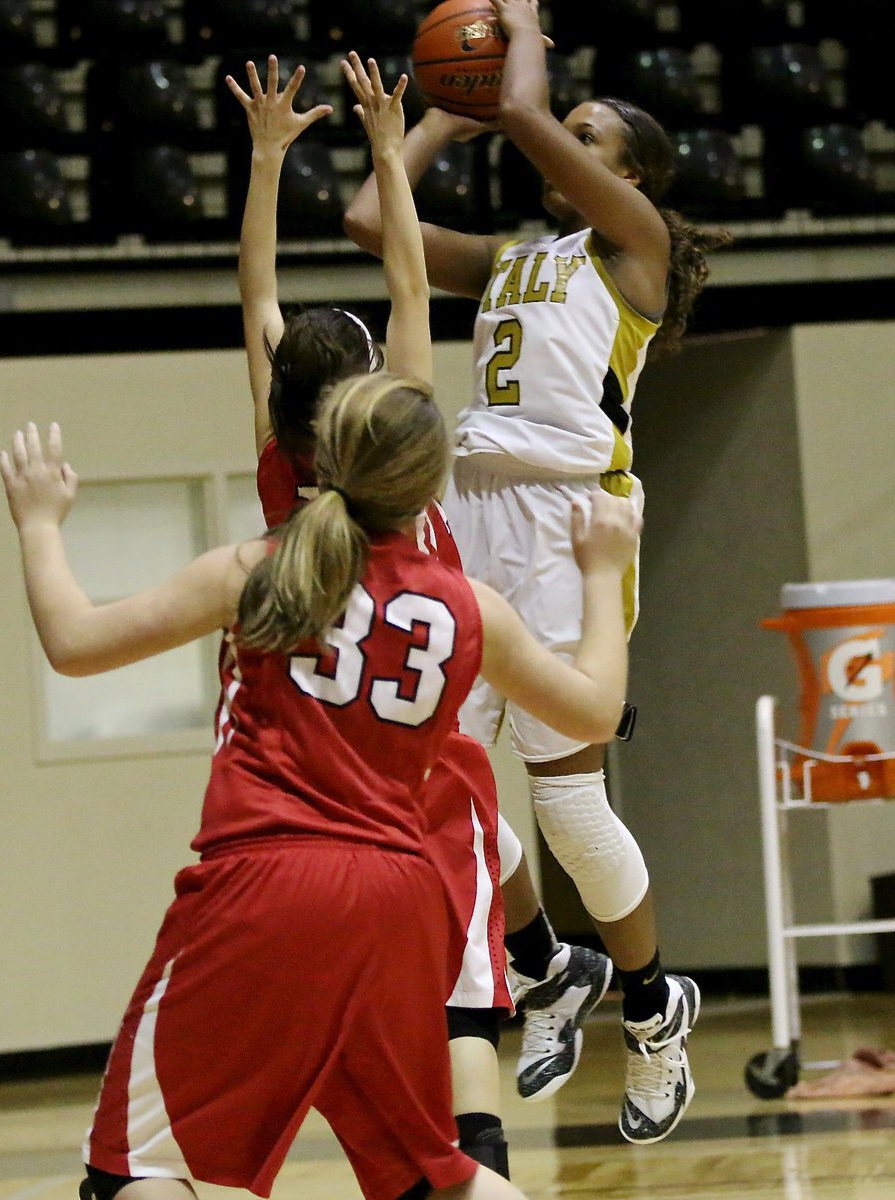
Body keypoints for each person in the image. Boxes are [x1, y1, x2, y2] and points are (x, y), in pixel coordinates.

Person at [0, 392, 639, 1200]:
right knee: (430, 1173)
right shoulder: (471, 608)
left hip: (264, 887)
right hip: (399, 902)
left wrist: (39, 524)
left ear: (321, 459)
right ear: (429, 484)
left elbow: (74, 643)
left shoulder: (255, 567)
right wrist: (602, 573)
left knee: (134, 1167)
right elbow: (596, 710)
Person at [344, 0, 730, 1144]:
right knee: (433, 776)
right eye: (562, 126)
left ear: (631, 177)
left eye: (586, 134)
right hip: (472, 510)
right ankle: (542, 963)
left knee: (564, 801)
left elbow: (517, 102)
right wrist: (432, 119)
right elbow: (374, 218)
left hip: (571, 527)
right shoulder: (519, 256)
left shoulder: (637, 256)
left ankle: (655, 1007)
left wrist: (513, 31)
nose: (556, 136)